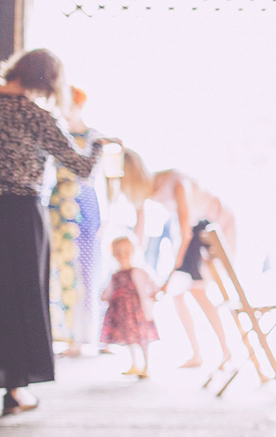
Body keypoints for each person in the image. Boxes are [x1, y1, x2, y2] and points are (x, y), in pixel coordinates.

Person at [0, 49, 108, 415]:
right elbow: (80, 168)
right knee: (19, 299)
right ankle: (15, 389)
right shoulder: (37, 117)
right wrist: (98, 144)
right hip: (20, 214)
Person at [116, 152, 235, 369]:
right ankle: (197, 353)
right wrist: (132, 263)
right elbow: (139, 231)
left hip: (214, 228)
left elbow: (186, 232)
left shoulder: (177, 181)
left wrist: (172, 272)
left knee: (198, 290)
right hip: (195, 235)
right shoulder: (146, 191)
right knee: (179, 293)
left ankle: (226, 351)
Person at [48, 86, 104, 357]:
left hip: (85, 208)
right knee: (60, 270)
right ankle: (65, 335)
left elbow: (103, 179)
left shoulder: (94, 138)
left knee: (86, 271)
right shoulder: (56, 132)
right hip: (58, 208)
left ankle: (85, 336)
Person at [99, 236, 159, 378]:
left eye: (126, 252)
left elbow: (154, 286)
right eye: (118, 253)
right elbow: (106, 292)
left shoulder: (140, 271)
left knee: (142, 338)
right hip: (123, 313)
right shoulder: (115, 275)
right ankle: (135, 364)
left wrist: (154, 295)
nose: (122, 256)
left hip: (138, 312)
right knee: (129, 338)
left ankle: (146, 366)